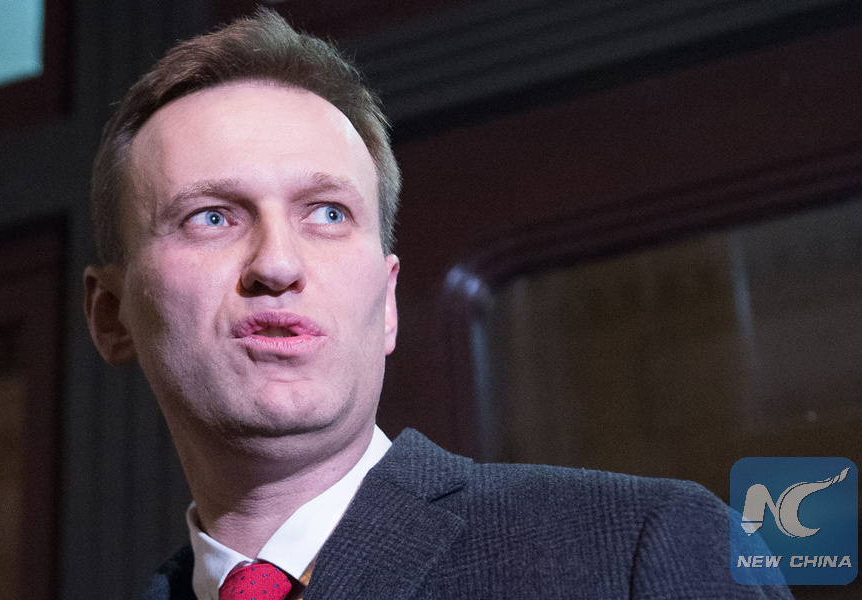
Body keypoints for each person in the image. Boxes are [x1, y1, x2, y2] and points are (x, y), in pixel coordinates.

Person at [83, 9, 793, 600]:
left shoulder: (644, 550)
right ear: (111, 315)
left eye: (327, 213)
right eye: (212, 217)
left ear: (388, 301)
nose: (277, 264)